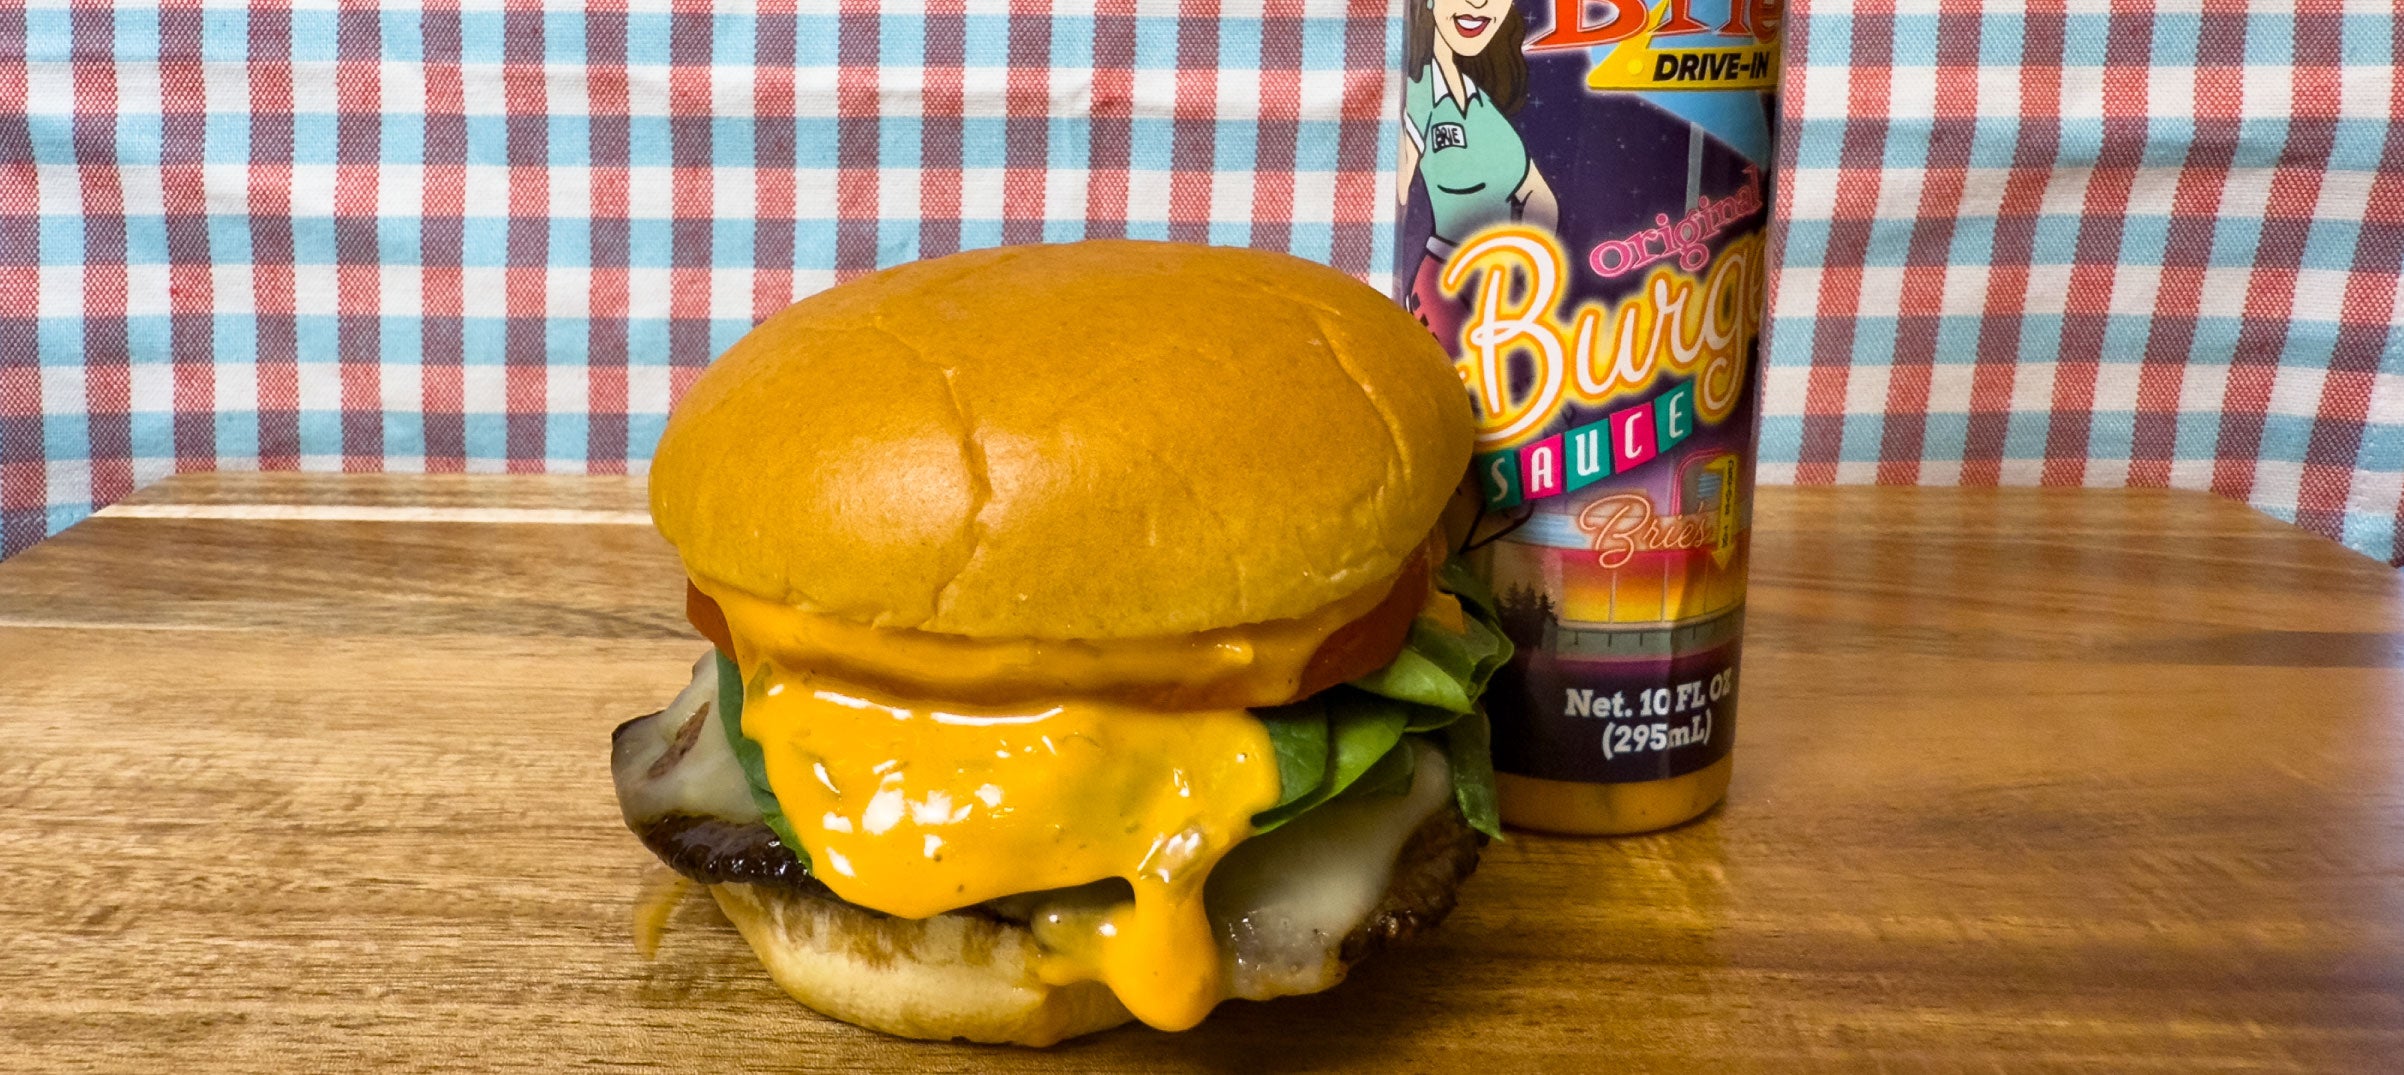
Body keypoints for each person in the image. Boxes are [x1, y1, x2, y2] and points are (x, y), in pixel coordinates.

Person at [1398, 0, 1560, 349]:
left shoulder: (1484, 105)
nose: (1479, 3)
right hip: (1445, 283)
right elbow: (1402, 190)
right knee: (1453, 393)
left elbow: (1537, 195)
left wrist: (1523, 267)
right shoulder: (1422, 91)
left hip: (1502, 286)